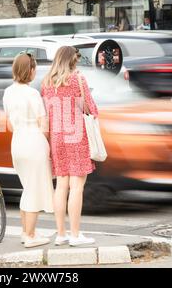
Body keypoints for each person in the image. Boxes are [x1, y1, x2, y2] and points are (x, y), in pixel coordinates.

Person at [41, 46, 99, 247]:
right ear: (72, 61)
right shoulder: (78, 79)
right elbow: (91, 109)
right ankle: (75, 235)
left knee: (61, 186)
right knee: (77, 187)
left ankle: (61, 234)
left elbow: (47, 114)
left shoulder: (47, 82)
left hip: (57, 138)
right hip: (76, 137)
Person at [3, 54, 54, 249]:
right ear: (30, 70)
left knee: (28, 187)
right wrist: (47, 144)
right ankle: (31, 235)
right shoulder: (32, 94)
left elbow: (9, 124)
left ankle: (26, 232)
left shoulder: (7, 92)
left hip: (17, 142)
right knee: (34, 189)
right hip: (34, 142)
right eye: (34, 68)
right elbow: (44, 123)